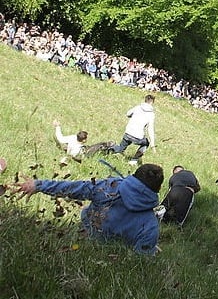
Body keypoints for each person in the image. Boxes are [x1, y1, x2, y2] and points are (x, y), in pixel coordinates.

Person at [13, 163, 164, 255]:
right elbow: (140, 261)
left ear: (133, 176)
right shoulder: (151, 227)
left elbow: (74, 189)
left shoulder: (108, 188)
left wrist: (39, 185)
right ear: (156, 191)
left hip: (80, 236)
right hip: (108, 257)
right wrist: (150, 249)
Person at [110, 94, 156, 165]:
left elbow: (128, 113)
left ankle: (108, 149)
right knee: (146, 143)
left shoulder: (138, 107)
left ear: (145, 100)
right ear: (152, 102)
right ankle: (133, 161)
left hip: (128, 133)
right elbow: (150, 129)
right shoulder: (151, 114)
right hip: (138, 137)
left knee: (121, 148)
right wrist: (152, 144)